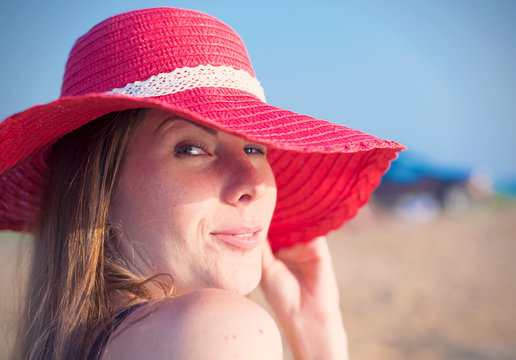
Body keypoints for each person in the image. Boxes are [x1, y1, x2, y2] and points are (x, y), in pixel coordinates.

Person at [0, 7, 404, 360]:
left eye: (255, 148)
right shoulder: (220, 330)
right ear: (97, 186)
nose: (253, 184)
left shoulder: (80, 342)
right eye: (191, 149)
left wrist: (316, 329)